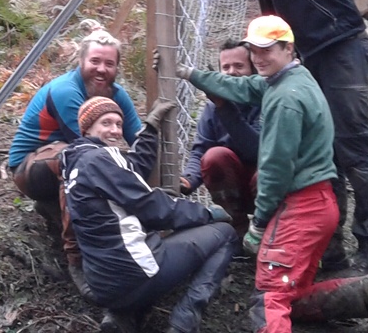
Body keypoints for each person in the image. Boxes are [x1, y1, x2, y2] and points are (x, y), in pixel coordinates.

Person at [149, 0, 368, 273]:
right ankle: (331, 249)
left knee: (353, 149)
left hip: (338, 46)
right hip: (305, 54)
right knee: (323, 151)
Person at [163, 16, 368, 333]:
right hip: (320, 204)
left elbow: (275, 169)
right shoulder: (294, 79)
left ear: (288, 48)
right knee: (290, 293)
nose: (258, 58)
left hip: (300, 208)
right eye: (254, 50)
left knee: (270, 296)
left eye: (267, 50)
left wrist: (260, 224)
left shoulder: (285, 101)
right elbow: (243, 86)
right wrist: (192, 75)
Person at [61, 96, 238, 333]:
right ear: (87, 128)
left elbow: (134, 167)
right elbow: (154, 209)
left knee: (148, 245)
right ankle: (185, 320)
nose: (114, 130)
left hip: (102, 285)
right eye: (106, 123)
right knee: (226, 234)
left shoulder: (75, 164)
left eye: (118, 124)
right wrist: (206, 213)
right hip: (135, 275)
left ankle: (122, 315)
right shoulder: (101, 158)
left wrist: (151, 128)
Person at [8, 21, 144, 294]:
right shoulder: (65, 91)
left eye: (109, 63)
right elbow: (88, 149)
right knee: (82, 161)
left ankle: (57, 209)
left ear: (117, 67)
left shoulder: (118, 96)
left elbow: (139, 139)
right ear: (81, 61)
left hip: (69, 159)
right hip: (31, 167)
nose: (101, 69)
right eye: (95, 61)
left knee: (95, 164)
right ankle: (76, 258)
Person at [180, 39, 261, 234]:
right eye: (226, 67)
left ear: (254, 70)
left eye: (239, 66)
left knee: (267, 172)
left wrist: (225, 108)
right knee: (214, 156)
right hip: (232, 183)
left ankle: (267, 230)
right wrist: (189, 179)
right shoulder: (212, 108)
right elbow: (201, 149)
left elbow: (257, 150)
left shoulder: (266, 100)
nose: (232, 72)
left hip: (266, 186)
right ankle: (237, 227)